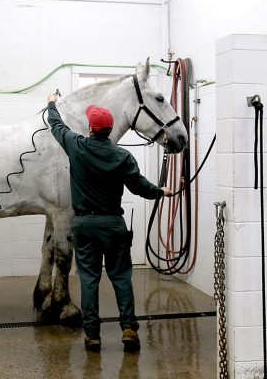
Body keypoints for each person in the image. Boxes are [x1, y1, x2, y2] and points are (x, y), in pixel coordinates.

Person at [46, 94, 172, 353]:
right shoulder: (122, 156)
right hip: (114, 224)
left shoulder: (76, 146)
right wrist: (162, 191)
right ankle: (128, 330)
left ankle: (92, 336)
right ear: (110, 129)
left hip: (84, 225)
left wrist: (52, 103)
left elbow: (56, 126)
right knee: (122, 278)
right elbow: (140, 187)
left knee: (89, 280)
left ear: (91, 129)